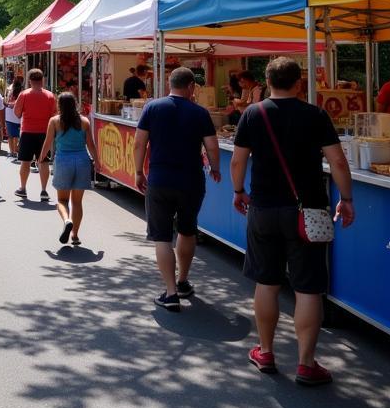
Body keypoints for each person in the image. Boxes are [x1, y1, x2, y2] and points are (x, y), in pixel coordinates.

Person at [230, 56, 354, 384]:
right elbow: (338, 162)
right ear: (299, 83)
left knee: (266, 283)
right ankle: (306, 363)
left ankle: (266, 352)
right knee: (308, 288)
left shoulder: (252, 115)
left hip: (264, 209)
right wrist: (347, 198)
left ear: (267, 83)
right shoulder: (315, 115)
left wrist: (239, 190)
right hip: (307, 212)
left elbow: (238, 161)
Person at [134, 66, 221, 310]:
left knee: (161, 236)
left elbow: (139, 143)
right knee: (187, 230)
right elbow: (212, 147)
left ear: (169, 84)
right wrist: (215, 168)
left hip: (160, 179)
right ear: (191, 86)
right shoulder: (200, 113)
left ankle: (170, 293)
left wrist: (139, 171)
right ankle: (183, 281)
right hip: (191, 180)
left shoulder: (152, 107)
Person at [39, 92, 99, 246]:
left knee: (61, 200)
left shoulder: (55, 121)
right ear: (75, 104)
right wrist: (97, 162)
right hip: (82, 161)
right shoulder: (84, 122)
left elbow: (47, 142)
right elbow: (91, 145)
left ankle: (67, 220)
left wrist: (41, 158)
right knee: (77, 202)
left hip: (63, 161)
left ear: (59, 105)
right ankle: (75, 235)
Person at [13, 69, 58, 202]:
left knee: (25, 162)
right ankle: (44, 190)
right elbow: (54, 115)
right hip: (44, 133)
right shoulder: (50, 96)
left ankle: (22, 188)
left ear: (29, 81)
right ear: (42, 80)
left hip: (27, 131)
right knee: (43, 161)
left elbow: (17, 113)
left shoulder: (24, 94)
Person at [4, 75, 23, 162]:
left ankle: (12, 152)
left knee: (10, 135)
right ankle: (16, 151)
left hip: (9, 113)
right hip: (18, 114)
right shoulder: (23, 91)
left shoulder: (8, 89)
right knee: (16, 135)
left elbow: (5, 100)